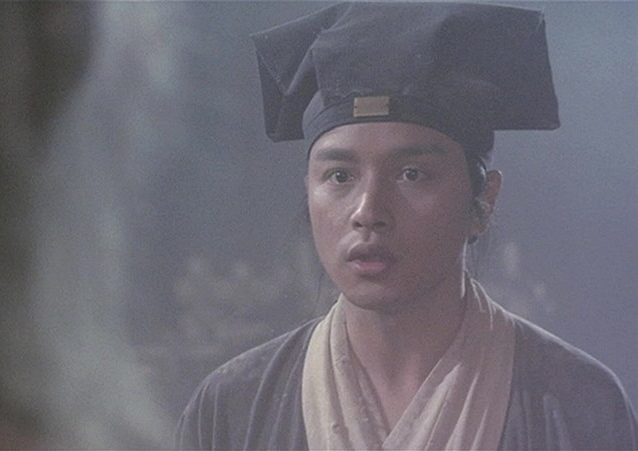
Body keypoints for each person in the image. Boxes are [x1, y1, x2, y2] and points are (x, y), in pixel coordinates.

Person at [175, 2, 638, 450]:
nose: (368, 210)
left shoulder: (577, 404)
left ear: (483, 200)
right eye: (340, 176)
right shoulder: (234, 407)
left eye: (412, 174)